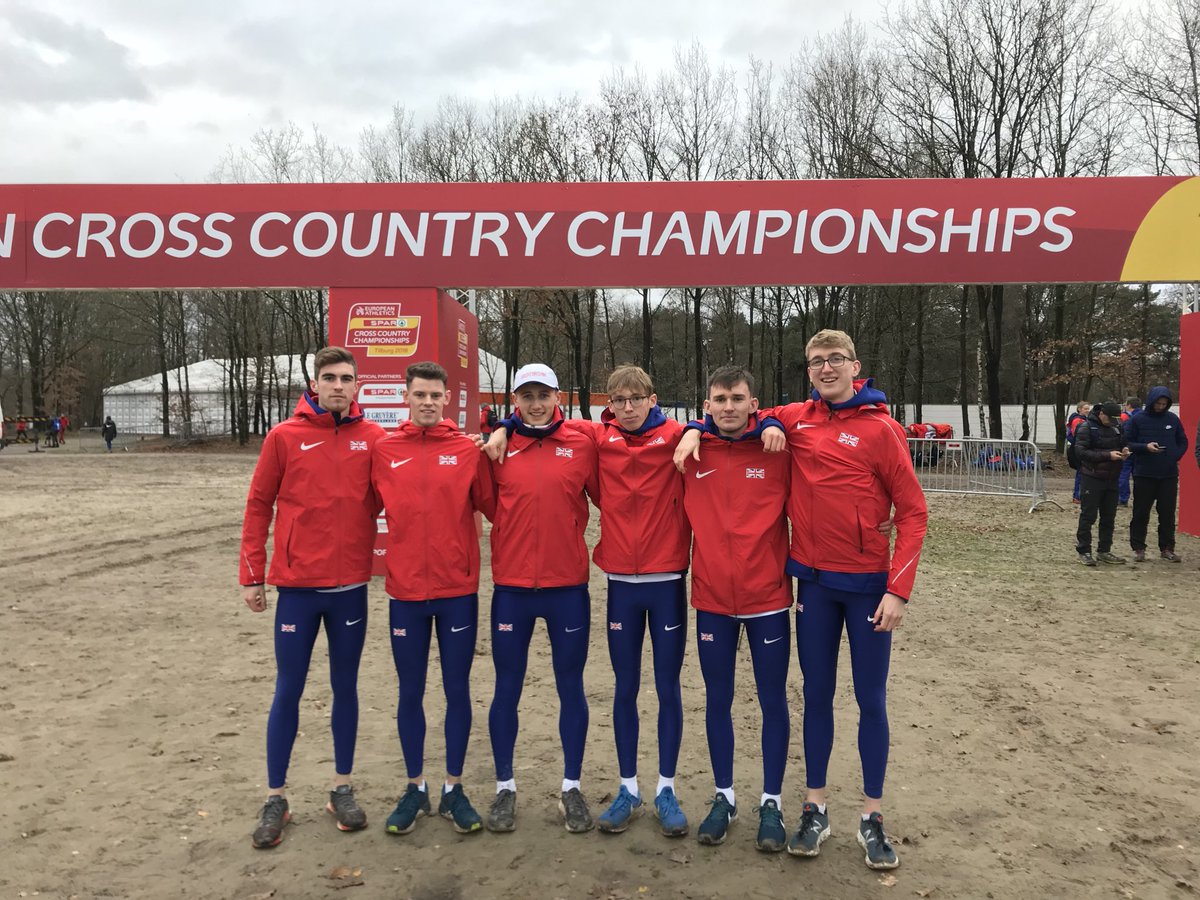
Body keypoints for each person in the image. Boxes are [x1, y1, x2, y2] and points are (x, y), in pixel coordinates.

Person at [675, 329, 927, 871]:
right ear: (808, 370)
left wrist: (898, 590)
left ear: (854, 365)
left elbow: (913, 511)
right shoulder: (795, 418)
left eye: (836, 359)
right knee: (815, 696)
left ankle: (872, 816)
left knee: (870, 700)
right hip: (811, 584)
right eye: (817, 361)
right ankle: (814, 808)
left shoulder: (883, 429)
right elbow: (740, 412)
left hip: (866, 586)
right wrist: (696, 429)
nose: (826, 368)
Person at [489, 364, 693, 836]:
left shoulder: (675, 434)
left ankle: (664, 789)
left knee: (666, 689)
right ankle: (626, 788)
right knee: (620, 688)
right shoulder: (594, 437)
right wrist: (502, 425)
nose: (626, 407)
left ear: (652, 398)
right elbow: (512, 459)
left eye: (635, 398)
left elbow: (733, 418)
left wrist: (698, 431)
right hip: (612, 581)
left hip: (662, 580)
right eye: (617, 400)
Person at [239, 346, 386, 849]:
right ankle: (276, 796)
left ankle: (341, 787)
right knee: (289, 689)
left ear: (357, 385)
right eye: (330, 378)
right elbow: (258, 504)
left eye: (347, 378)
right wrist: (252, 575)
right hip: (297, 590)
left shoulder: (375, 439)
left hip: (350, 591)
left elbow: (416, 483)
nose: (339, 386)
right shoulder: (284, 437)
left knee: (346, 688)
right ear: (315, 384)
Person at [372, 361, 494, 837]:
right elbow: (354, 506)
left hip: (456, 592)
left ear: (447, 400)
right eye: (418, 394)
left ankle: (454, 789)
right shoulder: (384, 450)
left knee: (457, 689)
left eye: (434, 395)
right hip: (404, 592)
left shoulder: (468, 451)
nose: (426, 402)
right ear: (406, 396)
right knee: (410, 692)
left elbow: (496, 505)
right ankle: (415, 788)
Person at [482, 363, 600, 834]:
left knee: (570, 686)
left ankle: (571, 786)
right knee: (506, 688)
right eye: (526, 395)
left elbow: (606, 493)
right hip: (512, 589)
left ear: (557, 396)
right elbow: (490, 506)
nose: (535, 403)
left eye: (543, 394)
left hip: (567, 587)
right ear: (515, 400)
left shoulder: (582, 442)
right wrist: (502, 431)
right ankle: (504, 787)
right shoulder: (498, 447)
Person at [679, 365, 792, 852]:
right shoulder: (689, 452)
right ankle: (723, 797)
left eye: (737, 398)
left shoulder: (778, 449)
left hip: (767, 598)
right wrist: (689, 432)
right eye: (719, 399)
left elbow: (805, 415)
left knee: (772, 701)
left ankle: (772, 802)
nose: (728, 407)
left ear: (753, 402)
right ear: (706, 406)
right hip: (712, 601)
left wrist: (775, 423)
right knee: (717, 699)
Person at [1124, 386, 1188, 562]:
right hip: (1144, 474)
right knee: (1140, 512)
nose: (1160, 406)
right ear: (1152, 401)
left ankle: (1167, 547)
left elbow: (1183, 441)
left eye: (1164, 403)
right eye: (1158, 403)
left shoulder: (1173, 419)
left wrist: (1175, 455)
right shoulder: (1137, 420)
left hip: (1168, 474)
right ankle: (1138, 547)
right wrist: (1144, 447)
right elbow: (1126, 442)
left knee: (1167, 513)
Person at [1074, 400, 1129, 566]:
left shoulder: (1117, 426)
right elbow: (1081, 452)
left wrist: (1125, 450)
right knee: (1088, 516)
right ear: (1102, 414)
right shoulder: (1086, 427)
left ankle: (1104, 550)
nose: (1112, 422)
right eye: (1109, 419)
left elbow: (1123, 442)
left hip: (1112, 478)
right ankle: (1084, 550)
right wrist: (1107, 455)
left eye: (1115, 419)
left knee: (1108, 517)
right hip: (1092, 477)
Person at [1066, 401, 1091, 504]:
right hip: (1078, 449)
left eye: (1088, 408)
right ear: (1079, 409)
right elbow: (1077, 435)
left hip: (1079, 448)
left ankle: (1080, 495)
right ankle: (1077, 496)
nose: (1087, 410)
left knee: (1082, 473)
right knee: (1081, 473)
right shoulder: (1078, 420)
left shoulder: (1084, 419)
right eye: (1085, 408)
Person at [1117, 397, 1141, 506]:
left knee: (1123, 474)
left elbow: (1123, 434)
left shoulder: (1126, 417)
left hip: (1128, 449)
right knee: (1140, 476)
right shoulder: (1146, 416)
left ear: (1129, 405)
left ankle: (1123, 498)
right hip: (1142, 450)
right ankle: (1141, 499)